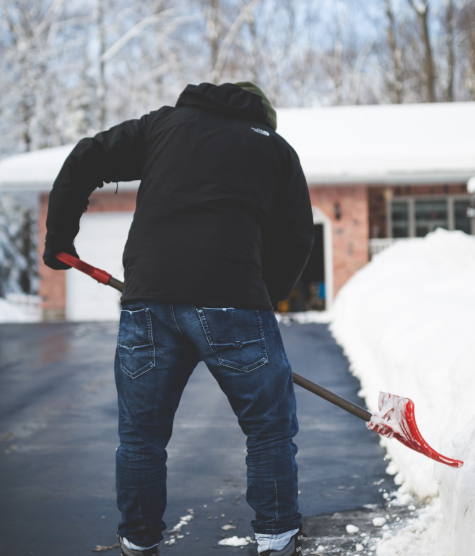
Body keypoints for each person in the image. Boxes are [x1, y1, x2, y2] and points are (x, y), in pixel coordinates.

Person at [43, 82, 315, 556]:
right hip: (233, 298)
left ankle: (138, 539)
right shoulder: (275, 149)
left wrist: (58, 237)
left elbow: (85, 157)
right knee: (269, 428)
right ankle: (276, 536)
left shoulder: (162, 127)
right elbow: (296, 239)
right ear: (264, 116)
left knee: (141, 437)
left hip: (149, 298)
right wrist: (260, 300)